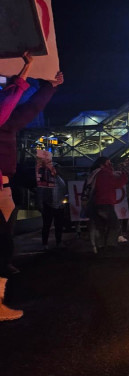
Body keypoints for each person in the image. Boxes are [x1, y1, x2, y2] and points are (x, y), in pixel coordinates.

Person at [1, 68, 62, 279]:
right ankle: (4, 262)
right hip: (4, 186)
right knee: (5, 228)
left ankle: (4, 262)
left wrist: (49, 87)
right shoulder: (6, 123)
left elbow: (30, 108)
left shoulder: (7, 123)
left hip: (4, 185)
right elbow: (27, 106)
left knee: (6, 229)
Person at [91, 157, 129, 253]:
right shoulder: (104, 174)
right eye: (109, 163)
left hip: (96, 203)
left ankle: (100, 247)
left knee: (101, 226)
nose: (111, 165)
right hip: (106, 203)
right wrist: (124, 174)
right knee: (115, 225)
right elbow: (118, 184)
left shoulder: (95, 173)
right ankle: (110, 245)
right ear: (103, 164)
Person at [36, 163, 67, 250]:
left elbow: (64, 192)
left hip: (59, 205)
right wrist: (40, 203)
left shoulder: (61, 180)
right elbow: (40, 192)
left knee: (59, 225)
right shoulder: (45, 179)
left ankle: (59, 242)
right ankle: (45, 243)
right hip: (48, 205)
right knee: (46, 225)